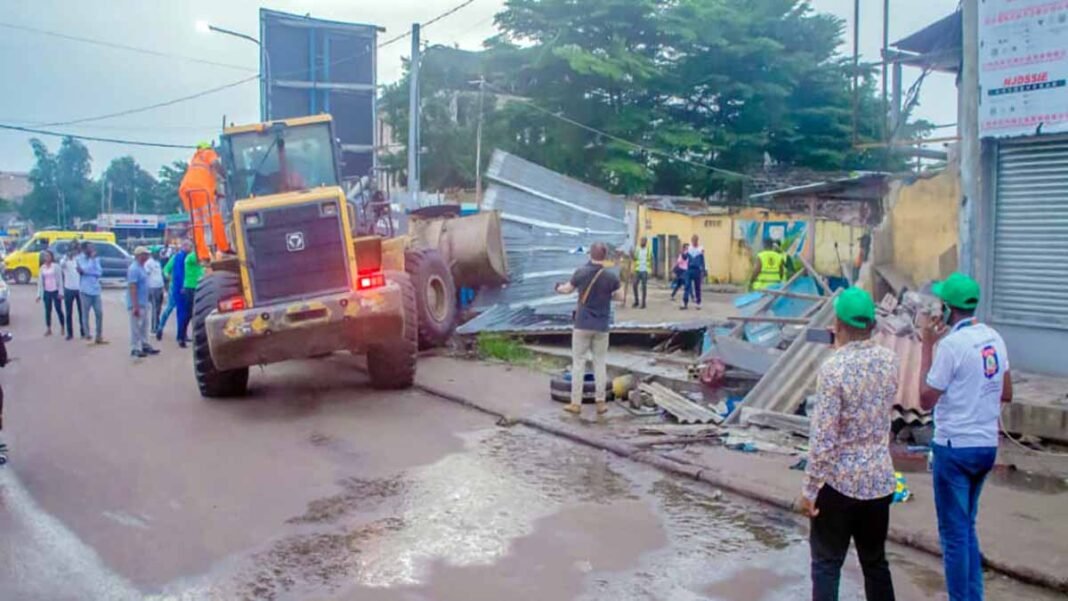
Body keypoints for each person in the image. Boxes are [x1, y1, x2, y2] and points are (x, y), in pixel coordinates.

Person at [798, 287, 898, 601]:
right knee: (875, 562)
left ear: (837, 324)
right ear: (871, 325)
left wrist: (810, 488)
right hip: (879, 480)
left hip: (838, 485)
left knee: (827, 564)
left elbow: (825, 438)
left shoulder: (833, 370)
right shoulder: (890, 361)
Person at [919, 272, 1012, 601]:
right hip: (985, 447)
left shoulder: (950, 346)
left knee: (954, 536)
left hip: (954, 448)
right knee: (967, 526)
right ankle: (974, 596)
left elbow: (925, 398)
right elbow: (1007, 391)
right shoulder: (994, 338)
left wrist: (927, 345)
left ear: (946, 308)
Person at [554, 242, 622, 417]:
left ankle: (576, 404)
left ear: (590, 254)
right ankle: (600, 403)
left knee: (579, 363)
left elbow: (567, 289)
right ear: (605, 256)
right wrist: (608, 295)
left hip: (582, 325)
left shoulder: (581, 272)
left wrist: (557, 288)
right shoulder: (611, 277)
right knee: (600, 363)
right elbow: (620, 297)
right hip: (601, 326)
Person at [179, 142, 231, 259]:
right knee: (215, 219)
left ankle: (203, 254)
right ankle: (223, 247)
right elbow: (215, 163)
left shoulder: (195, 160)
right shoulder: (207, 153)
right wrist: (226, 176)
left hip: (186, 190)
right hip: (200, 189)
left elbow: (204, 178)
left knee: (197, 223)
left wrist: (217, 193)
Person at [126, 247, 160, 359]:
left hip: (143, 302)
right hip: (137, 303)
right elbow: (132, 287)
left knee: (144, 326)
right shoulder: (134, 269)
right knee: (136, 326)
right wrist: (135, 305)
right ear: (139, 255)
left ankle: (144, 345)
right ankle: (135, 348)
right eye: (145, 254)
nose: (147, 256)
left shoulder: (141, 267)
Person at [157, 240, 190, 341]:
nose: (191, 249)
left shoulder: (185, 257)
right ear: (184, 246)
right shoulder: (176, 257)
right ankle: (160, 327)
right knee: (171, 308)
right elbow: (166, 269)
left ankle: (183, 334)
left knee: (182, 311)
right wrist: (169, 277)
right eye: (190, 246)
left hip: (181, 285)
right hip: (176, 286)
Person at [77, 241, 106, 344]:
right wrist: (91, 262)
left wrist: (88, 271)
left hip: (96, 289)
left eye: (93, 247)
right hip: (85, 290)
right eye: (90, 248)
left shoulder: (96, 259)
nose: (92, 250)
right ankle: (87, 334)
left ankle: (99, 336)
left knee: (99, 313)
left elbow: (99, 272)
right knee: (85, 314)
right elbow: (83, 270)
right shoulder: (80, 258)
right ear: (85, 249)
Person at [176, 246, 205, 348]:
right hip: (192, 287)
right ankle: (181, 337)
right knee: (189, 314)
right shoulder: (191, 256)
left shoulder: (191, 257)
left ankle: (184, 336)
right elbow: (202, 259)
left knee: (192, 314)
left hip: (195, 287)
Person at [36, 250, 65, 336]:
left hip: (55, 291)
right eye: (45, 256)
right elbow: (40, 283)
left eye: (48, 256)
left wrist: (61, 293)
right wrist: (39, 295)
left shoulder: (56, 267)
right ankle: (48, 328)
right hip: (47, 292)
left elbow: (60, 280)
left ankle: (62, 326)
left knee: (58, 309)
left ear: (52, 257)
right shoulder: (42, 268)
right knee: (48, 311)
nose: (46, 258)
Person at [60, 245, 86, 341]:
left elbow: (83, 270)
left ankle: (83, 332)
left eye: (73, 251)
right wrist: (67, 257)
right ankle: (70, 333)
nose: (72, 253)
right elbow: (62, 265)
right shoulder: (64, 260)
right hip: (68, 289)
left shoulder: (78, 260)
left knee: (81, 312)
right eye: (70, 251)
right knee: (69, 312)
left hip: (79, 289)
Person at [682, 234, 705, 310]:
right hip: (689, 269)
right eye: (693, 240)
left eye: (695, 240)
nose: (694, 242)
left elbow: (702, 260)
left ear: (697, 240)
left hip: (697, 270)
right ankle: (685, 303)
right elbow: (684, 258)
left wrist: (703, 271)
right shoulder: (689, 249)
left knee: (697, 287)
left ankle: (698, 303)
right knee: (687, 286)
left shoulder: (700, 249)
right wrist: (683, 253)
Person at [146, 248, 165, 335]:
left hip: (160, 286)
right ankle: (154, 328)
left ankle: (157, 324)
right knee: (155, 308)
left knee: (159, 308)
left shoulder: (158, 262)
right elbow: (146, 274)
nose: (158, 254)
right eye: (157, 253)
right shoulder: (149, 263)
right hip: (153, 287)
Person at [631, 236, 651, 309]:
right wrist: (632, 255)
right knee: (634, 285)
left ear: (646, 242)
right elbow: (635, 258)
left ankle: (643, 303)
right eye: (641, 241)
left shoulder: (649, 250)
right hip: (638, 270)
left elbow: (651, 259)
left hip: (645, 271)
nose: (642, 242)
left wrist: (650, 272)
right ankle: (636, 301)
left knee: (643, 287)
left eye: (643, 241)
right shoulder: (637, 249)